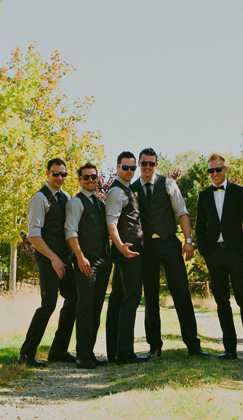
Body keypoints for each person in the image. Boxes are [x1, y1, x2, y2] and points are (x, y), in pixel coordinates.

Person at [133, 147, 205, 358]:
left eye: (151, 164)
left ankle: (193, 345)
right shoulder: (133, 188)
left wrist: (188, 241)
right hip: (147, 249)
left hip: (169, 244)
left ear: (156, 164)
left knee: (182, 292)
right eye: (144, 163)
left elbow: (182, 212)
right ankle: (154, 347)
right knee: (151, 298)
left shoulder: (168, 184)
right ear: (139, 164)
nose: (147, 167)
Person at [193, 151, 243, 361]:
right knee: (222, 302)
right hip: (215, 254)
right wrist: (204, 250)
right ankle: (230, 348)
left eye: (218, 169)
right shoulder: (203, 195)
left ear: (225, 169)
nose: (214, 173)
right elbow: (200, 227)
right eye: (211, 170)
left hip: (235, 253)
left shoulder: (239, 192)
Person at [17, 157, 76, 367]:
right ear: (47, 174)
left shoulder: (66, 197)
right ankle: (26, 354)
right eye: (56, 173)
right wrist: (53, 259)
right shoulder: (39, 199)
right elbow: (34, 236)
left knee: (74, 299)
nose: (60, 178)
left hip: (63, 257)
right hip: (47, 257)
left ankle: (58, 351)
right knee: (48, 304)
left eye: (63, 174)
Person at [104, 151, 149, 365]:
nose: (129, 171)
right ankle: (124, 353)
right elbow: (111, 223)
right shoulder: (116, 192)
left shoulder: (127, 189)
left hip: (128, 250)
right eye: (125, 167)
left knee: (118, 300)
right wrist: (121, 246)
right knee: (130, 299)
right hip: (127, 252)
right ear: (117, 167)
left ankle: (115, 351)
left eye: (133, 168)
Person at [65, 162, 111, 369]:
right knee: (85, 307)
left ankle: (89, 353)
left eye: (94, 177)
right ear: (80, 180)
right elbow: (71, 232)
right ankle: (82, 355)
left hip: (103, 262)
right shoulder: (76, 202)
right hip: (85, 262)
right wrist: (80, 257)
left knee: (96, 308)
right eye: (86, 178)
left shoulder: (101, 204)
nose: (91, 181)